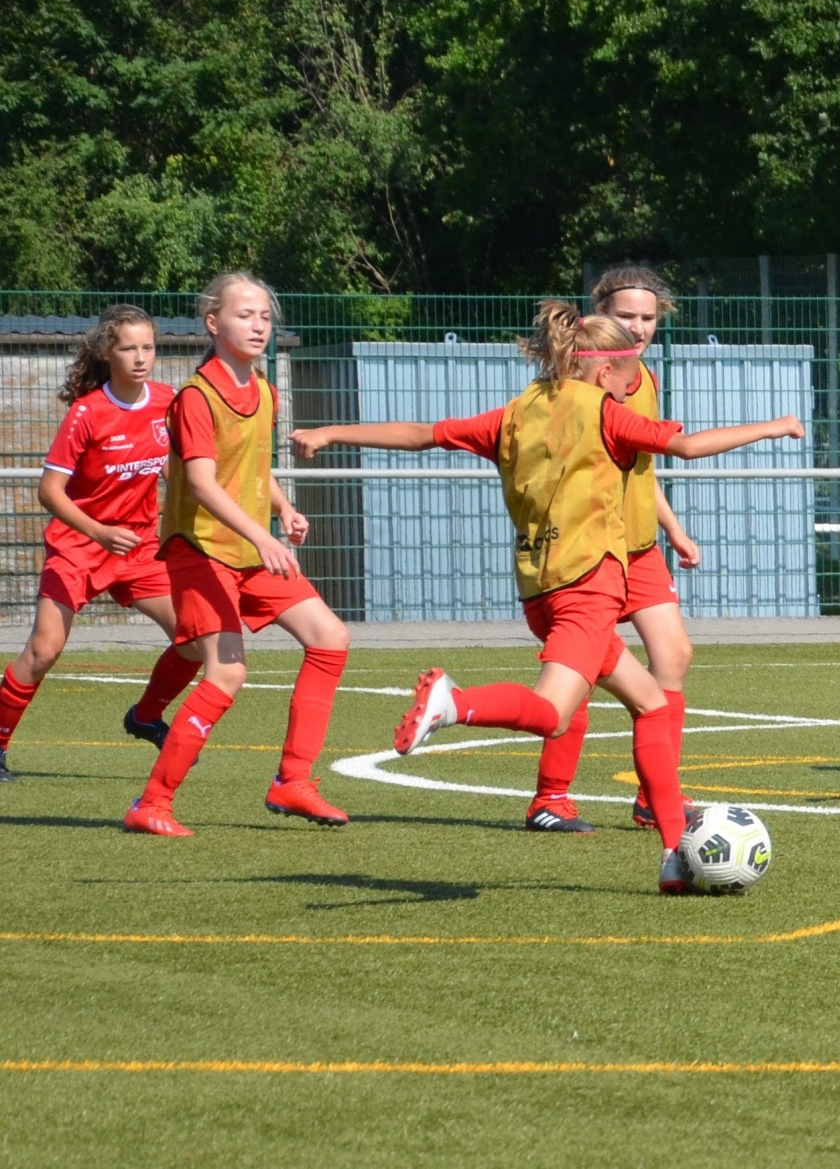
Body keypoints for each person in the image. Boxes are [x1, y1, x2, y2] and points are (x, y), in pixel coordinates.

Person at [291, 301, 804, 892]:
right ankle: (455, 703)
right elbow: (685, 448)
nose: (630, 387)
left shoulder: (517, 411)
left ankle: (672, 854)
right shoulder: (605, 412)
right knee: (552, 712)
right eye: (627, 378)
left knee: (650, 704)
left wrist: (332, 431)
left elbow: (422, 434)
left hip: (541, 590)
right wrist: (772, 426)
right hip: (589, 587)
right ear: (605, 371)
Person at [124, 273, 354, 836]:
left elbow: (251, 467)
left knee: (330, 637)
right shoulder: (196, 397)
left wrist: (284, 508)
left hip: (249, 551)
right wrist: (263, 536)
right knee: (227, 672)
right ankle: (151, 804)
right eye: (244, 315)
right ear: (213, 323)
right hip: (201, 550)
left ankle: (293, 781)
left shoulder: (265, 391)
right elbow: (203, 483)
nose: (258, 326)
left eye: (265, 317)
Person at [513, 264, 707, 835]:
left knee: (673, 655)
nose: (639, 327)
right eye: (627, 316)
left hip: (638, 547)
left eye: (648, 317)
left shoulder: (641, 377)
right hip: (589, 554)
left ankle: (655, 795)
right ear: (599, 316)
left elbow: (639, 465)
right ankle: (550, 798)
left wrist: (673, 529)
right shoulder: (574, 385)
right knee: (580, 670)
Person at [0, 307, 199, 782]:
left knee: (193, 640)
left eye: (148, 347)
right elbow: (49, 492)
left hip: (139, 547)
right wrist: (99, 532)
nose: (140, 357)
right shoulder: (87, 412)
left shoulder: (168, 401)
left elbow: (178, 463)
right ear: (107, 352)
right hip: (80, 546)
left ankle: (145, 717)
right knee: (44, 650)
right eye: (128, 348)